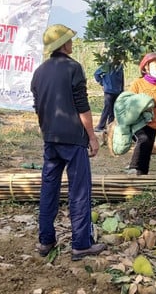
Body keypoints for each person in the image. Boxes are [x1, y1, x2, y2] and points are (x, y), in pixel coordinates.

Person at [30, 24, 105, 260]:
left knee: (48, 189)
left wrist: (47, 131)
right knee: (79, 191)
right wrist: (92, 136)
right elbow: (82, 106)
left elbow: (38, 108)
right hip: (73, 140)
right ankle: (81, 244)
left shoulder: (39, 72)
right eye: (70, 40)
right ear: (63, 44)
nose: (72, 43)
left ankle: (46, 241)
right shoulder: (74, 68)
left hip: (50, 139)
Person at [125, 52, 156, 176]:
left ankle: (142, 173)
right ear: (146, 67)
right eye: (155, 65)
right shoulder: (138, 83)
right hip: (137, 121)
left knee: (148, 147)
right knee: (143, 139)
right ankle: (134, 167)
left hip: (154, 122)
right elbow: (128, 100)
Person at [93, 59, 124, 132]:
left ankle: (110, 126)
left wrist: (122, 90)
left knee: (113, 110)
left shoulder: (120, 66)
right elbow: (96, 74)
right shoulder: (107, 65)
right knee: (107, 109)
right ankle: (100, 126)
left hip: (117, 91)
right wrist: (102, 83)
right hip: (109, 91)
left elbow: (122, 78)